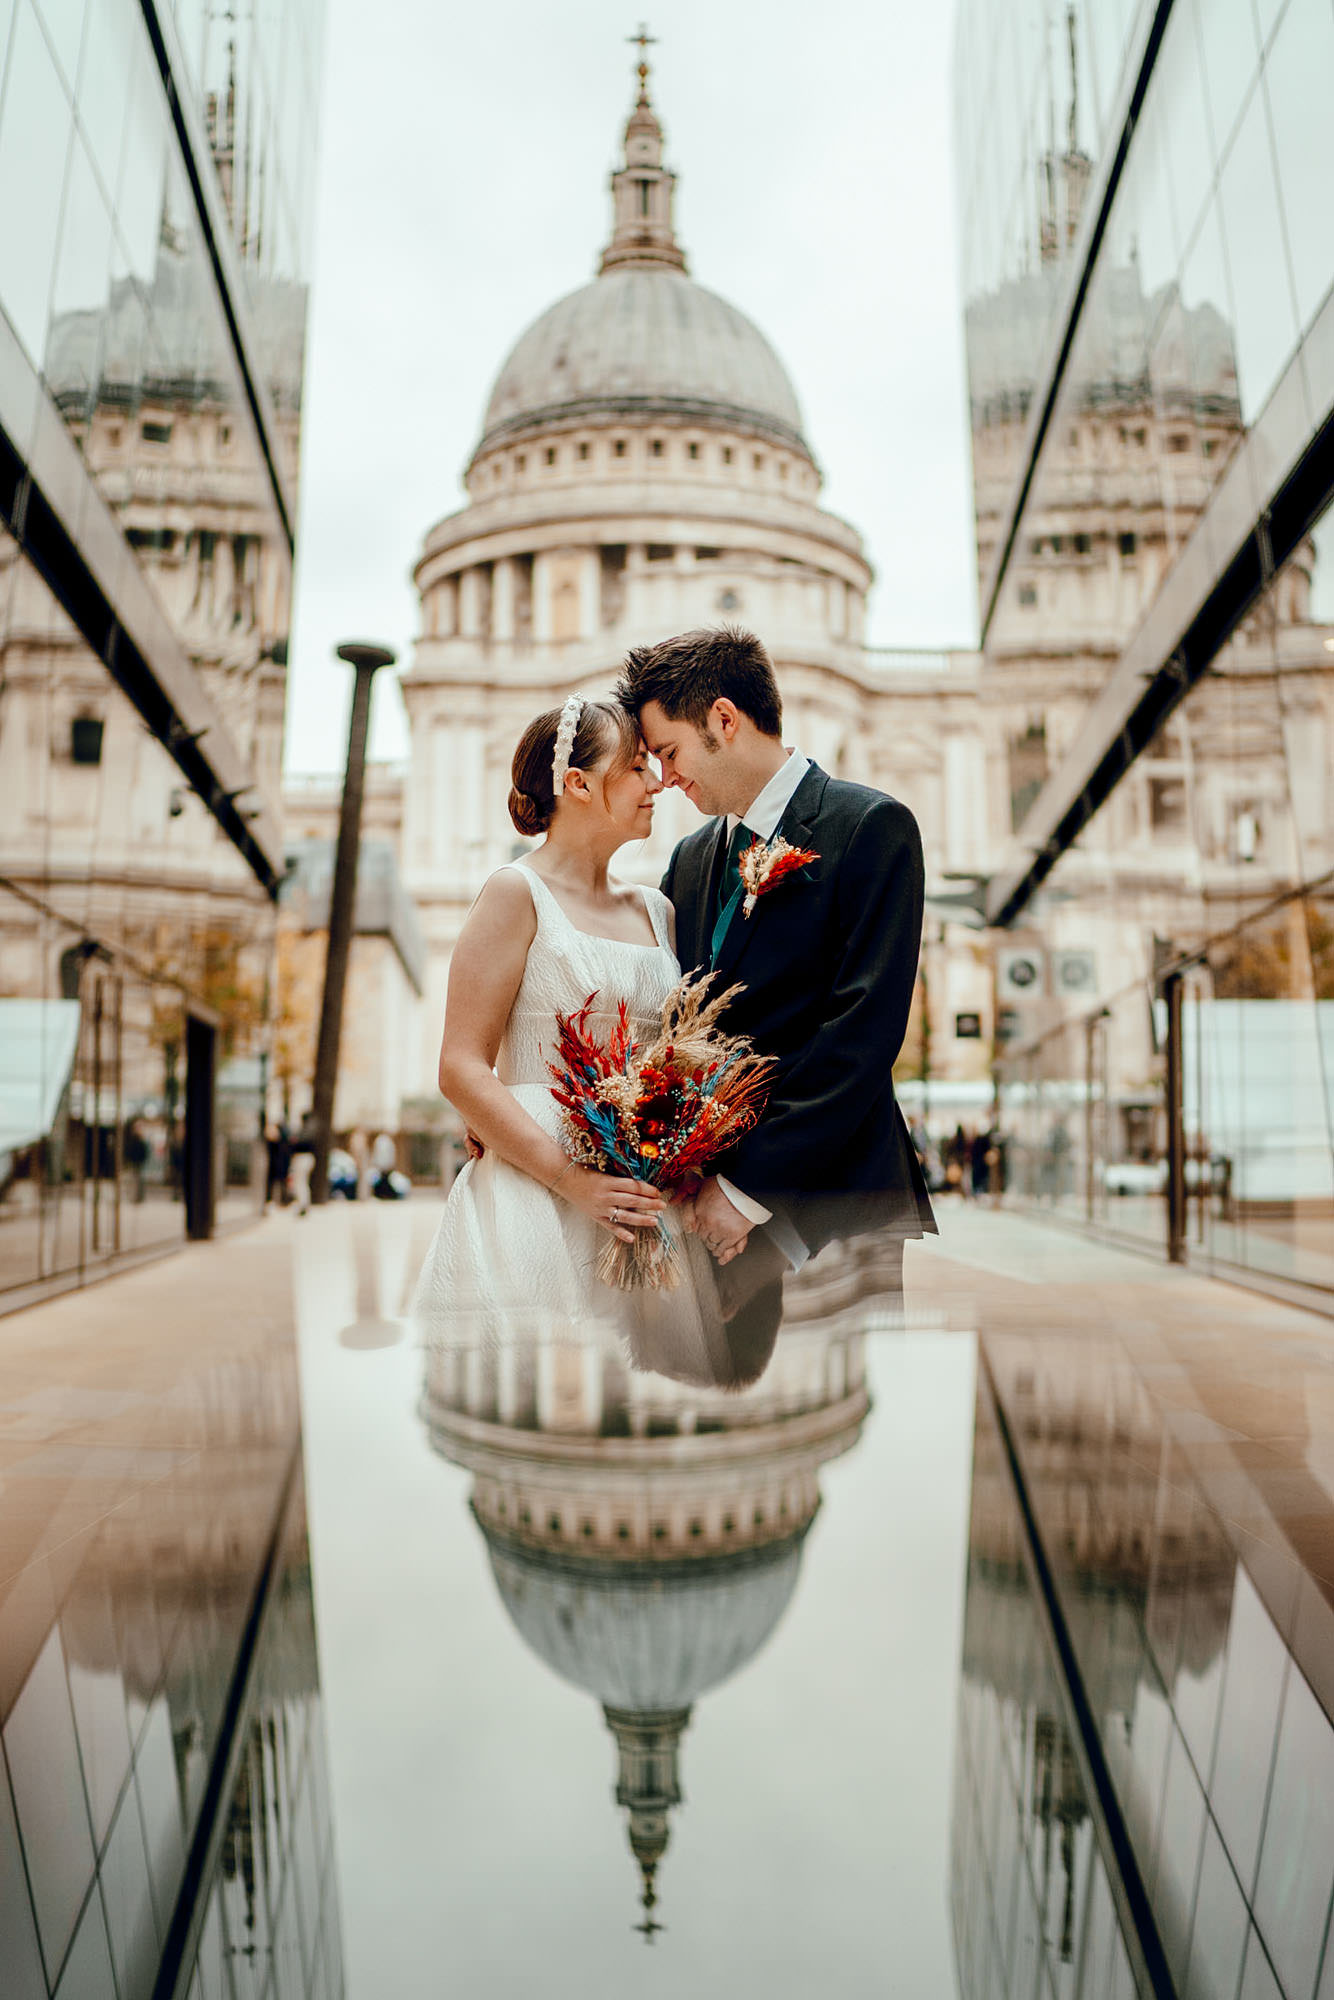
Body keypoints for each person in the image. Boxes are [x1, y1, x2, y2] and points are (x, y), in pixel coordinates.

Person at [617, 625, 936, 1283]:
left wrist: (745, 1189)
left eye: (670, 752)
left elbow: (863, 1033)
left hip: (839, 1204)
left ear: (725, 720)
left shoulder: (872, 828)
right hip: (711, 1219)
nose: (666, 778)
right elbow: (675, 1025)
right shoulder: (691, 859)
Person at [411, 695, 722, 1359]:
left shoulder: (656, 910)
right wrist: (570, 1180)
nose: (658, 782)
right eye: (636, 768)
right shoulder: (513, 894)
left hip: (644, 1193)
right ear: (577, 784)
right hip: (536, 1192)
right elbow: (461, 1064)